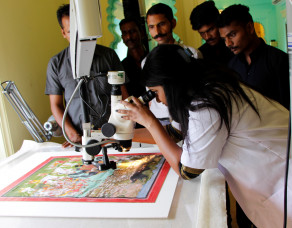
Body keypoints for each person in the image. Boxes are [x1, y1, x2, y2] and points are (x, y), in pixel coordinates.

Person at [118, 44, 291, 228]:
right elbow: (173, 134)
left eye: (156, 92)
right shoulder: (200, 87)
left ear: (171, 83)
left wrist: (150, 121)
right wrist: (119, 135)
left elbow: (186, 170)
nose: (158, 100)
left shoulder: (207, 103)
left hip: (282, 176)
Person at [45, 4, 127, 148]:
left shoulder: (109, 56)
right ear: (63, 32)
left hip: (112, 134)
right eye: (71, 32)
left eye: (80, 31)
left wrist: (123, 130)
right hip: (79, 138)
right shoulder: (56, 64)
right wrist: (72, 134)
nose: (78, 37)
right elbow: (56, 105)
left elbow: (124, 96)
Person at [218, 4, 289, 109]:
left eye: (232, 35)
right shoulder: (231, 66)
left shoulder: (279, 60)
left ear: (249, 28)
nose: (228, 43)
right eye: (224, 39)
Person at [145, 3, 202, 125]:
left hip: (187, 118)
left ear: (173, 23)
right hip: (159, 120)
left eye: (161, 24)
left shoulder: (191, 54)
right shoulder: (147, 61)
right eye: (151, 27)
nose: (157, 32)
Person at [190, 0, 233, 66]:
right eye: (202, 33)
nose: (207, 37)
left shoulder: (235, 47)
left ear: (219, 23)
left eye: (210, 30)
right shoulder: (200, 54)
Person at [119, 17, 148, 98]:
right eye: (125, 33)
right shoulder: (122, 67)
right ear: (122, 38)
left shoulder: (152, 59)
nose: (129, 37)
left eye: (132, 31)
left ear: (141, 33)